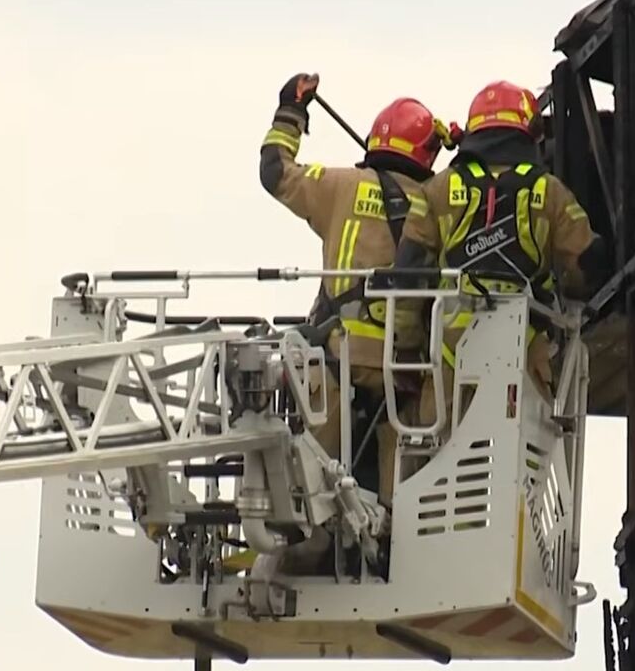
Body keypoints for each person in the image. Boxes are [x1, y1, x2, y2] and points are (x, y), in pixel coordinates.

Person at [259, 72, 457, 522]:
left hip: (335, 363)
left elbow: (274, 171)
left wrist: (291, 109)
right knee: (398, 519)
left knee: (309, 506)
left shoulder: (339, 186)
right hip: (405, 377)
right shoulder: (440, 204)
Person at [396, 80, 611, 425]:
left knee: (434, 456)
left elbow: (407, 275)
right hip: (523, 351)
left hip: (449, 354)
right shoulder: (550, 191)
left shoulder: (436, 189)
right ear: (528, 130)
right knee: (522, 461)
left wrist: (405, 349)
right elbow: (585, 264)